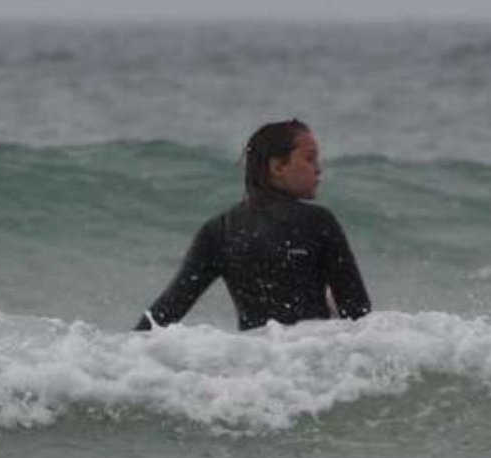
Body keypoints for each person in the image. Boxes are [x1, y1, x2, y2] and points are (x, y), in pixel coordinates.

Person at [137, 119, 370, 331]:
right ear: (278, 167)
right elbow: (359, 313)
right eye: (309, 158)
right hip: (309, 362)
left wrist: (116, 360)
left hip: (255, 365)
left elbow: (165, 313)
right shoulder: (319, 221)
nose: (318, 169)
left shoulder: (219, 230)